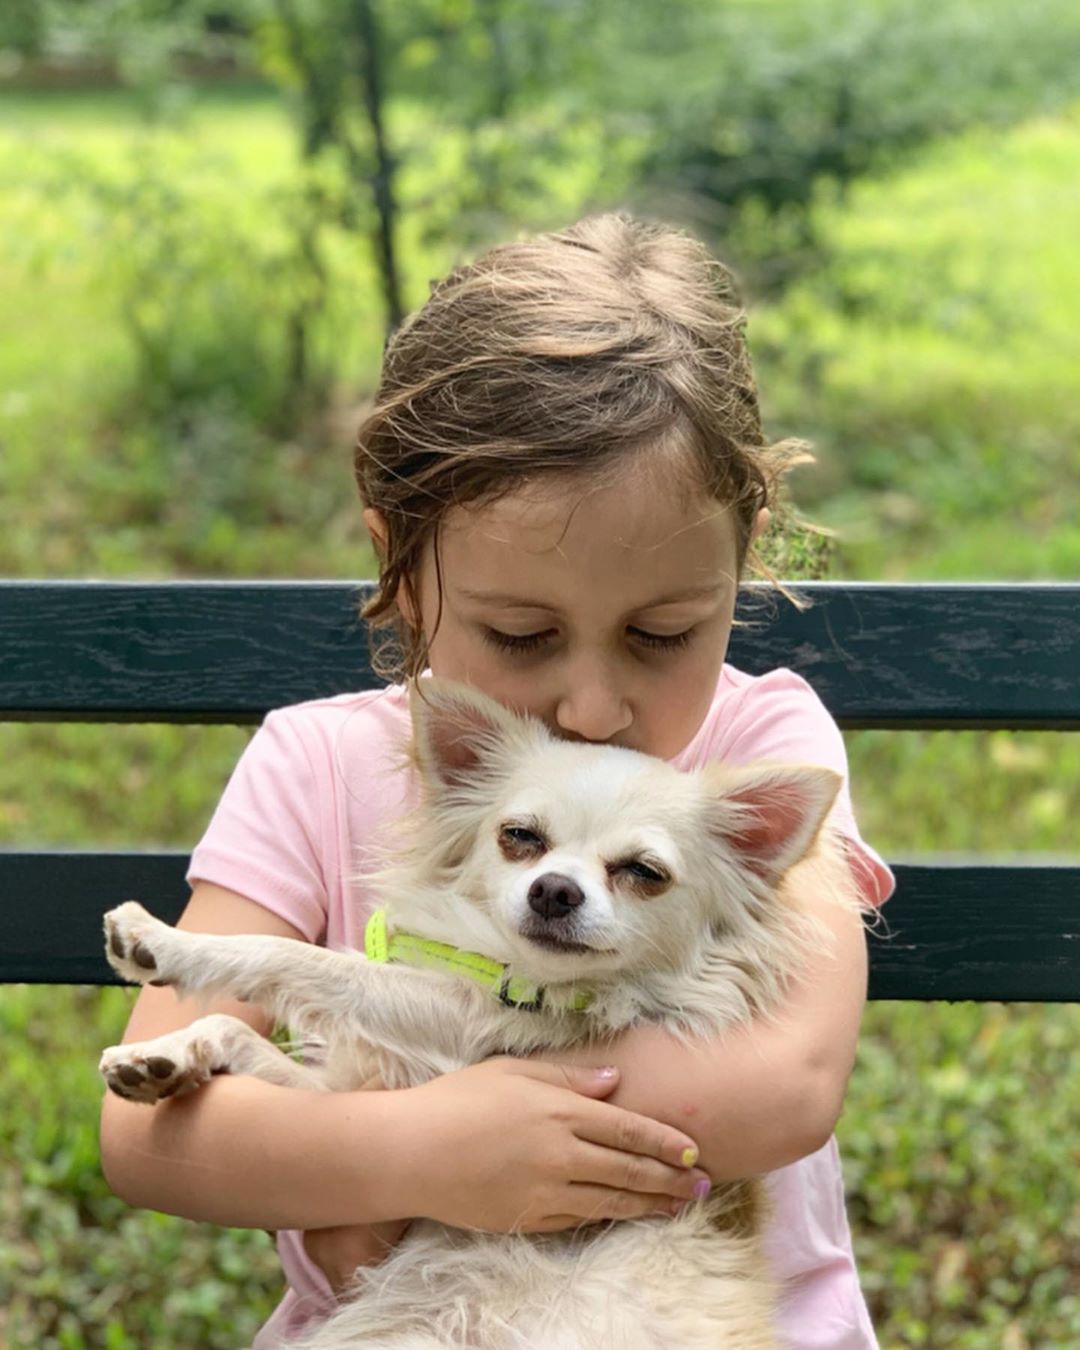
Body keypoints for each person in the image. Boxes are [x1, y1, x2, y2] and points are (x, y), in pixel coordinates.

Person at [99, 211, 894, 1348]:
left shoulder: (758, 748)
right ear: (401, 563)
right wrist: (427, 1154)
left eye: (662, 632)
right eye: (521, 635)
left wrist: (379, 1162)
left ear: (741, 555)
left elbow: (785, 1086)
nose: (589, 705)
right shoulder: (314, 763)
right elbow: (147, 1134)